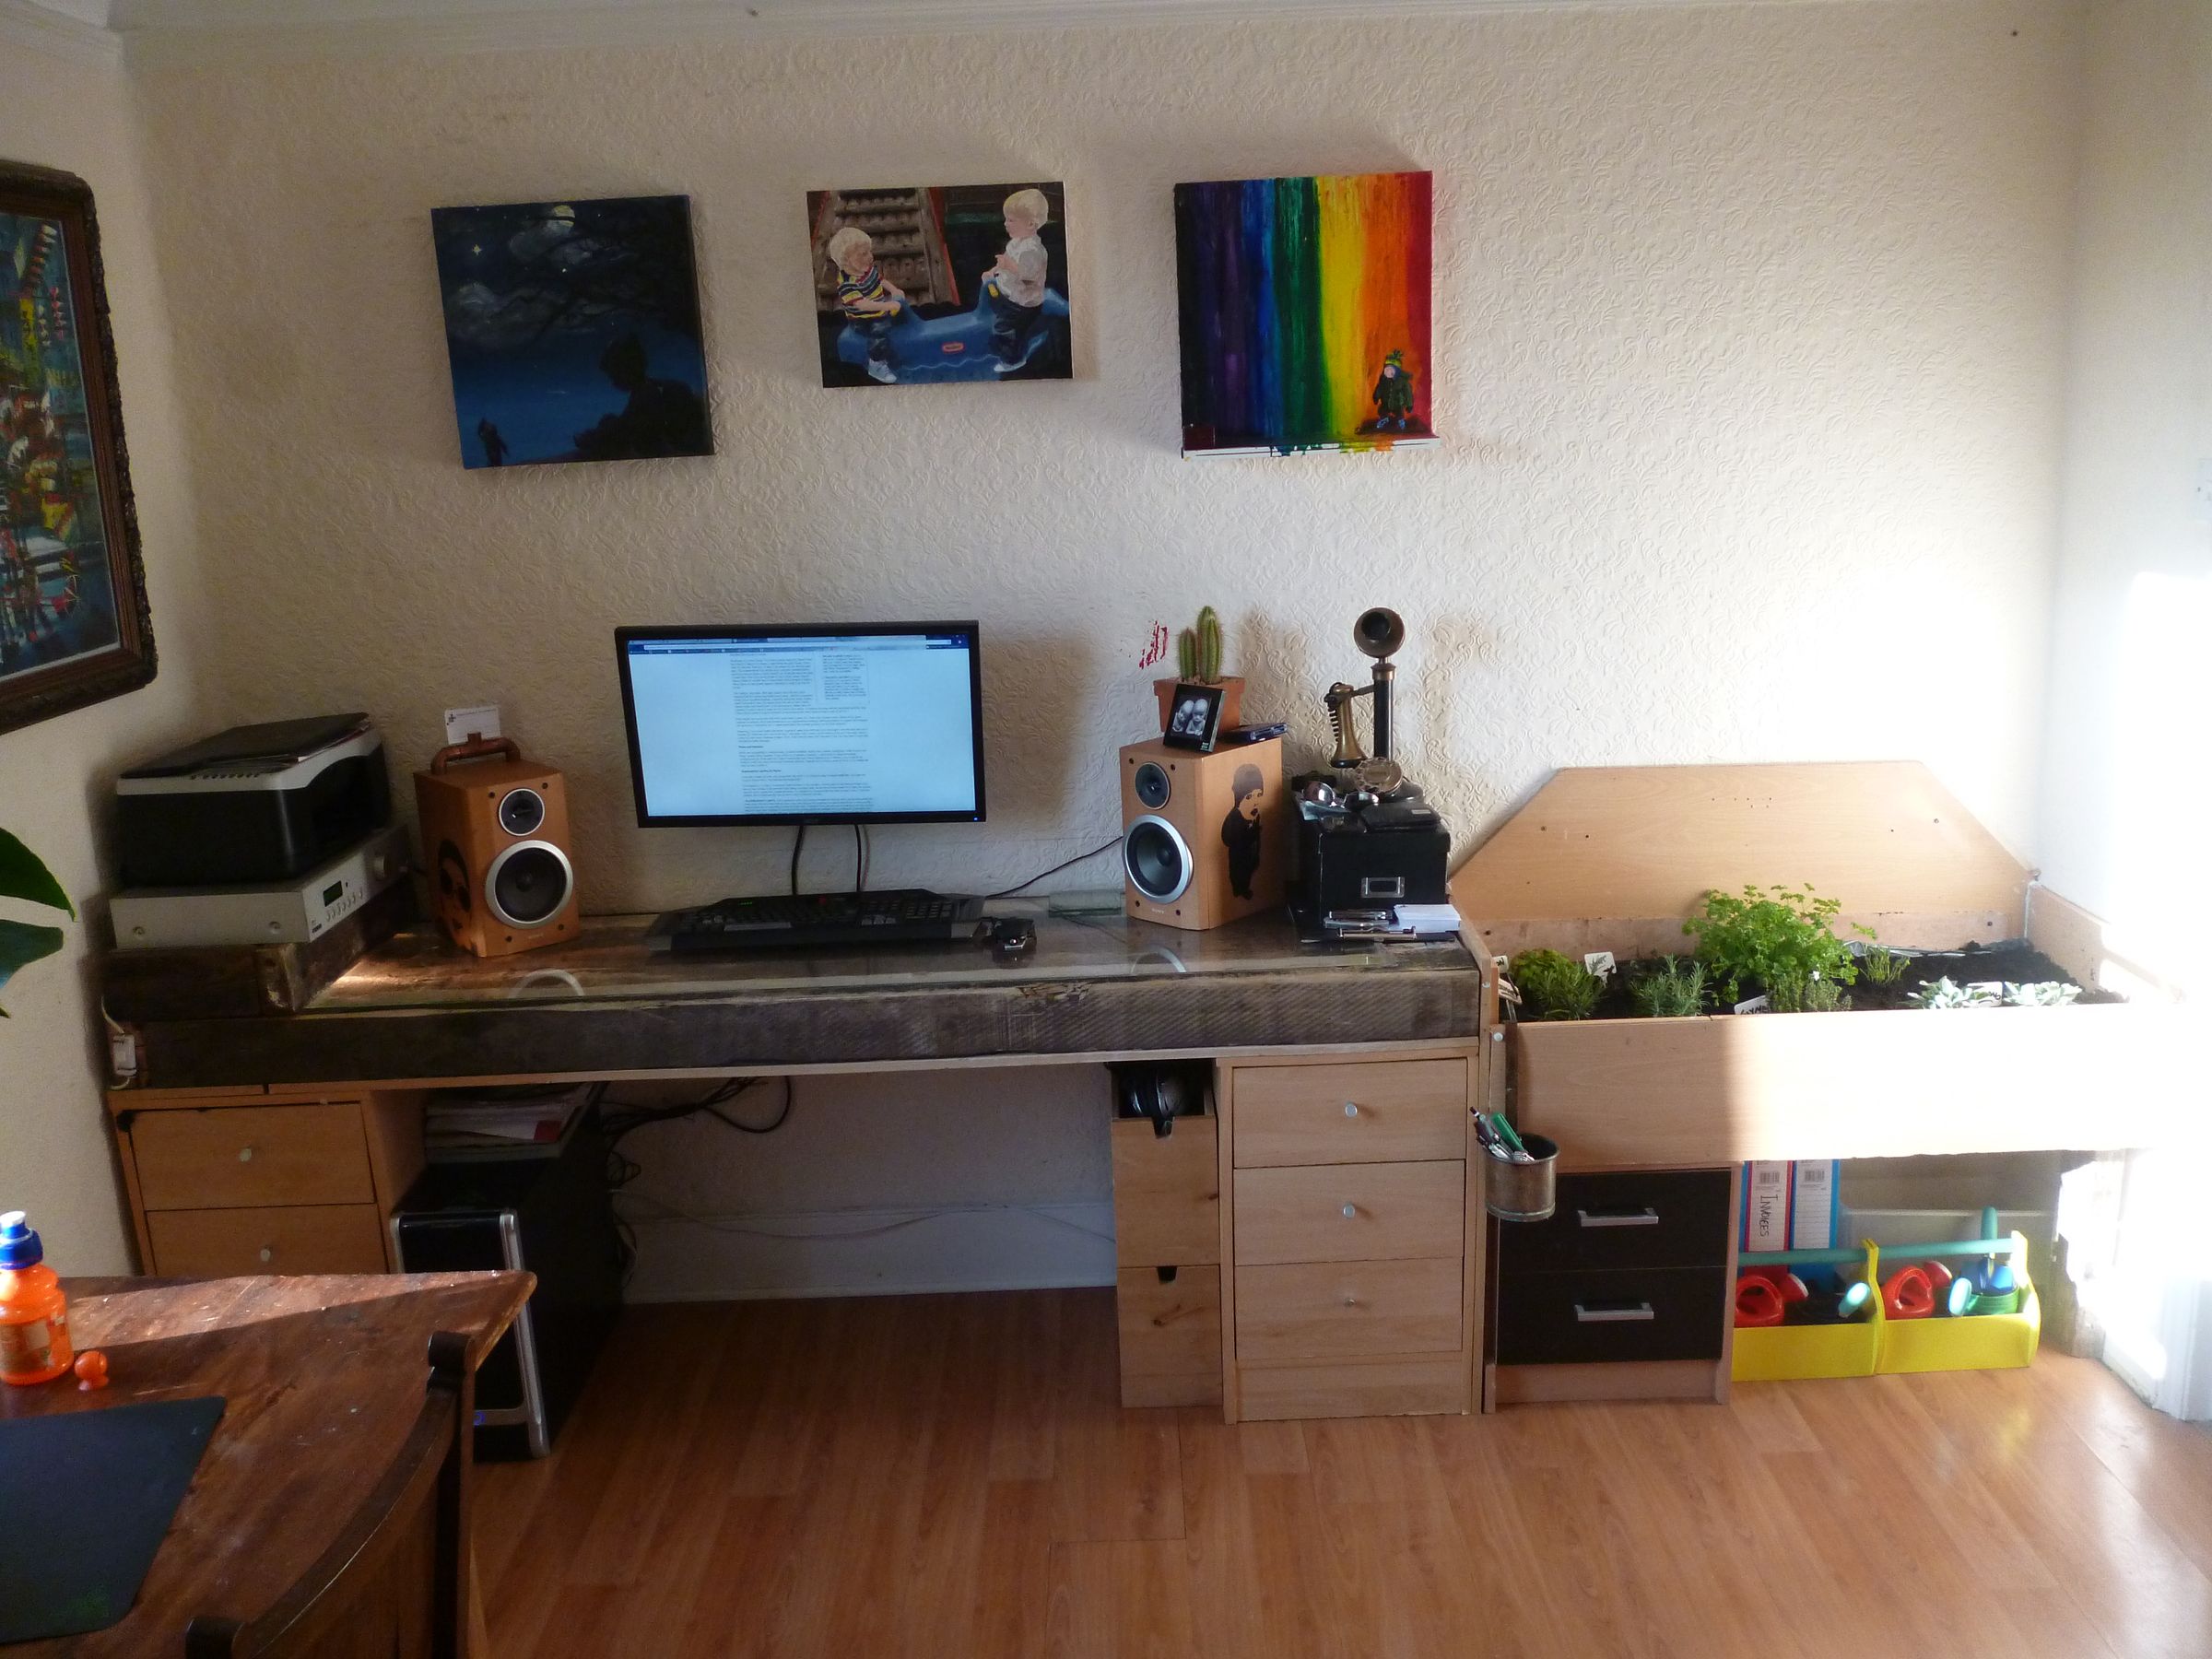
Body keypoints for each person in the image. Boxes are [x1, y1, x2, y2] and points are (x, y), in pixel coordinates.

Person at [571, 334, 711, 460]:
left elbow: (632, 432)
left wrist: (595, 437)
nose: (613, 381)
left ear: (628, 369)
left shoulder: (650, 395)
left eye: (614, 374)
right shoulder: (651, 390)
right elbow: (627, 424)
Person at [827, 225, 905, 384]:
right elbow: (863, 305)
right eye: (863, 254)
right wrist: (886, 306)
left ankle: (896, 351)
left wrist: (894, 289)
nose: (870, 257)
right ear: (846, 260)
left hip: (879, 309)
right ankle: (875, 365)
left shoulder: (867, 270)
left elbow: (880, 280)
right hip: (863, 320)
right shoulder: (847, 284)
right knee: (879, 331)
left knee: (901, 319)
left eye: (869, 252)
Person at [986, 188, 1051, 373]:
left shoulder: (1032, 250)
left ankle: (1013, 359)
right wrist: (994, 270)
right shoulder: (1015, 242)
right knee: (991, 306)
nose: (1005, 224)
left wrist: (1008, 265)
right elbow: (1005, 260)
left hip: (1023, 302)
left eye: (1011, 220)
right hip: (1010, 294)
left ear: (1031, 224)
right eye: (1006, 219)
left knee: (1003, 328)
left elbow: (1027, 275)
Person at [1221, 763, 1266, 900]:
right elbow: (1226, 838)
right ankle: (1238, 890)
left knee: (1249, 873)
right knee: (1239, 875)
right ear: (1239, 797)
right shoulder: (1234, 816)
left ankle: (1245, 888)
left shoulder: (1256, 815)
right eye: (1249, 797)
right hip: (1238, 859)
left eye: (1259, 794)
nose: (1255, 802)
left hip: (1251, 856)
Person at [1372, 348, 1416, 432]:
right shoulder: (1383, 379)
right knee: (1382, 410)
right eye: (1386, 369)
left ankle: (1401, 421)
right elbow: (1379, 388)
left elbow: (1408, 393)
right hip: (1386, 402)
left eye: (1391, 370)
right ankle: (1384, 419)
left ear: (1397, 371)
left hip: (1398, 403)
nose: (1388, 371)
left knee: (1399, 413)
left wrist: (1409, 405)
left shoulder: (1402, 381)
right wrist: (1376, 396)